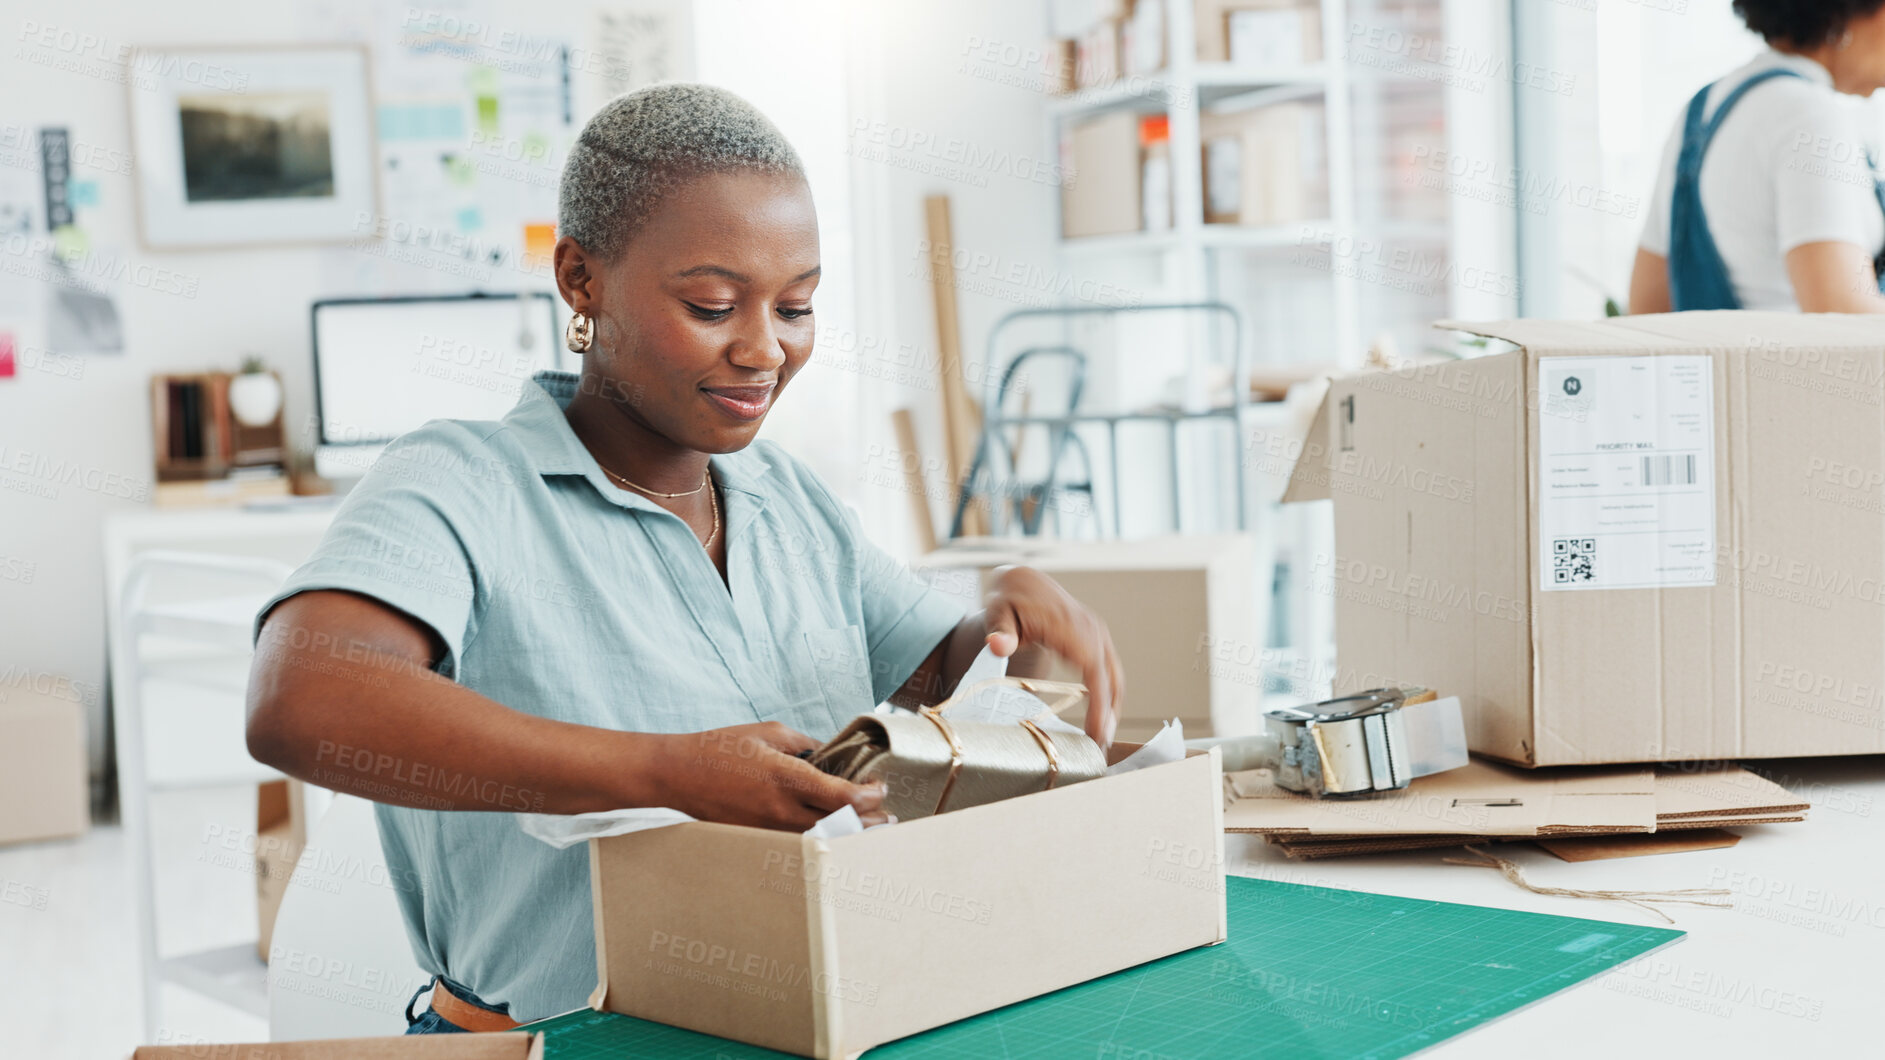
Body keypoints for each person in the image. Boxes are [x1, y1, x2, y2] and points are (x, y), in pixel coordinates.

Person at [245, 83, 1125, 1035]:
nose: (764, 350)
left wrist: (1007, 621)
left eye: (796, 306)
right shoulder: (465, 482)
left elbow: (940, 678)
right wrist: (665, 773)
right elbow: (303, 701)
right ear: (581, 280)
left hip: (818, 1017)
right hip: (560, 1043)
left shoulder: (787, 498)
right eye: (712, 305)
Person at [1629, 0, 1885, 313]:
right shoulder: (1809, 116)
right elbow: (1843, 318)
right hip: (1797, 362)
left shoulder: (1698, 111)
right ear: (1849, 15)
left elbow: (1648, 307)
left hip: (1724, 359)